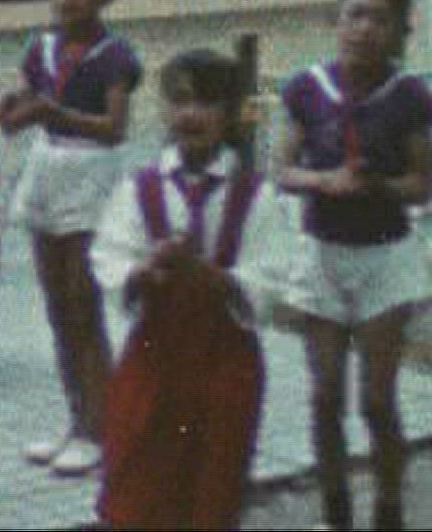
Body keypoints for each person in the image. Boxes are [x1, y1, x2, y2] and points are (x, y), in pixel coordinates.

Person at [93, 49, 287, 531]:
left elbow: (272, 273)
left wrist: (216, 278)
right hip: (154, 355)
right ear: (163, 109)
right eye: (179, 101)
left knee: (212, 482)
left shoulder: (255, 195)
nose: (191, 114)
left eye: (207, 102)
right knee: (138, 473)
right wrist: (141, 270)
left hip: (225, 361)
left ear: (231, 114)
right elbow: (109, 254)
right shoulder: (139, 189)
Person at [277, 0, 432, 532]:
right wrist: (326, 181)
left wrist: (377, 186)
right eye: (355, 14)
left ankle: (388, 511)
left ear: (398, 31)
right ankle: (336, 514)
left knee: (376, 401)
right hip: (323, 256)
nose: (365, 28)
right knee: (325, 397)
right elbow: (281, 170)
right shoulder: (306, 87)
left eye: (380, 19)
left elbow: (422, 185)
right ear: (336, 20)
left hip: (385, 260)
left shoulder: (409, 96)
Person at [0, 0, 142, 477]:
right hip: (48, 168)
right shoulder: (41, 48)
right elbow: (20, 112)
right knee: (58, 307)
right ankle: (77, 419)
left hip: (89, 175)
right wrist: (8, 110)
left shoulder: (114, 55)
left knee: (84, 306)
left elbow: (114, 128)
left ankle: (101, 428)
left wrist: (50, 111)